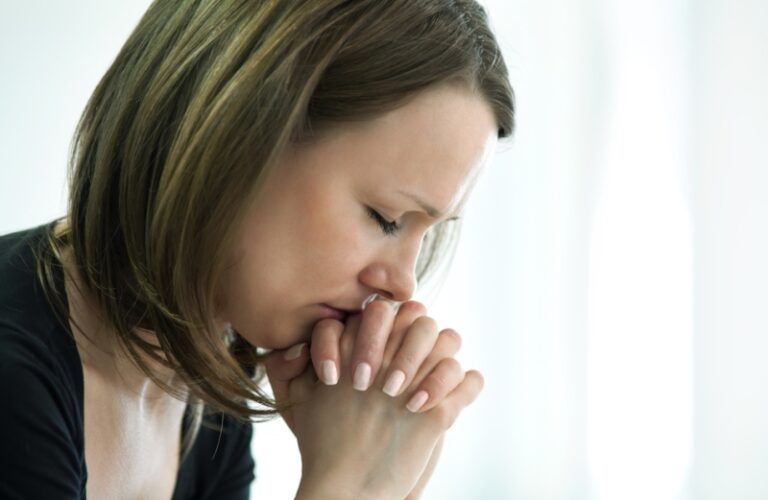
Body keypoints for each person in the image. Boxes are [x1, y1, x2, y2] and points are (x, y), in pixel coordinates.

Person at [0, 0, 514, 498]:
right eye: (385, 217)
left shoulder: (206, 386)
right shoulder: (14, 374)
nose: (404, 283)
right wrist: (352, 487)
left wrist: (388, 477)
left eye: (428, 232)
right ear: (237, 136)